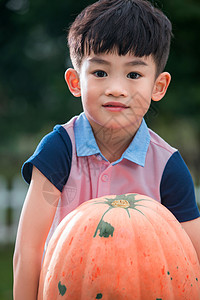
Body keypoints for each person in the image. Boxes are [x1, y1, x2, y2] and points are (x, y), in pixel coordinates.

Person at [13, 0, 200, 299]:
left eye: (134, 75)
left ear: (158, 86)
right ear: (75, 81)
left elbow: (193, 261)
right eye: (100, 73)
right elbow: (28, 251)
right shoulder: (59, 150)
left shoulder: (167, 166)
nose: (116, 88)